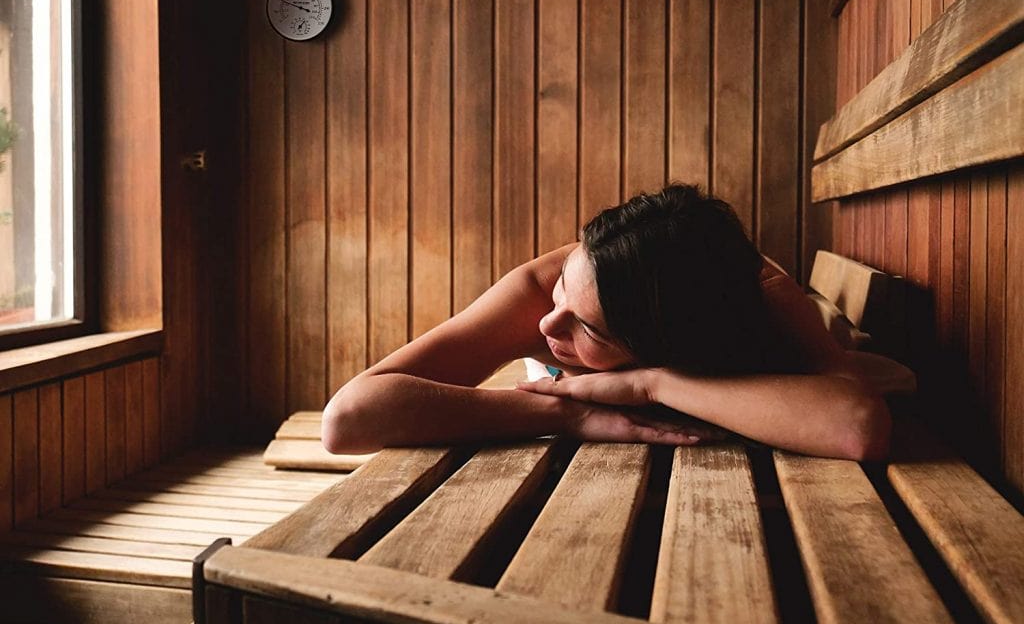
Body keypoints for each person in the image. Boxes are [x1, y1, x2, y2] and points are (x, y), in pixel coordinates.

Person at [322, 184, 890, 461]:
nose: (549, 324)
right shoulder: (539, 291)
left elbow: (856, 425)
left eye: (587, 331)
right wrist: (565, 413)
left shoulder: (757, 294)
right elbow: (349, 418)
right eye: (565, 287)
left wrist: (653, 384)